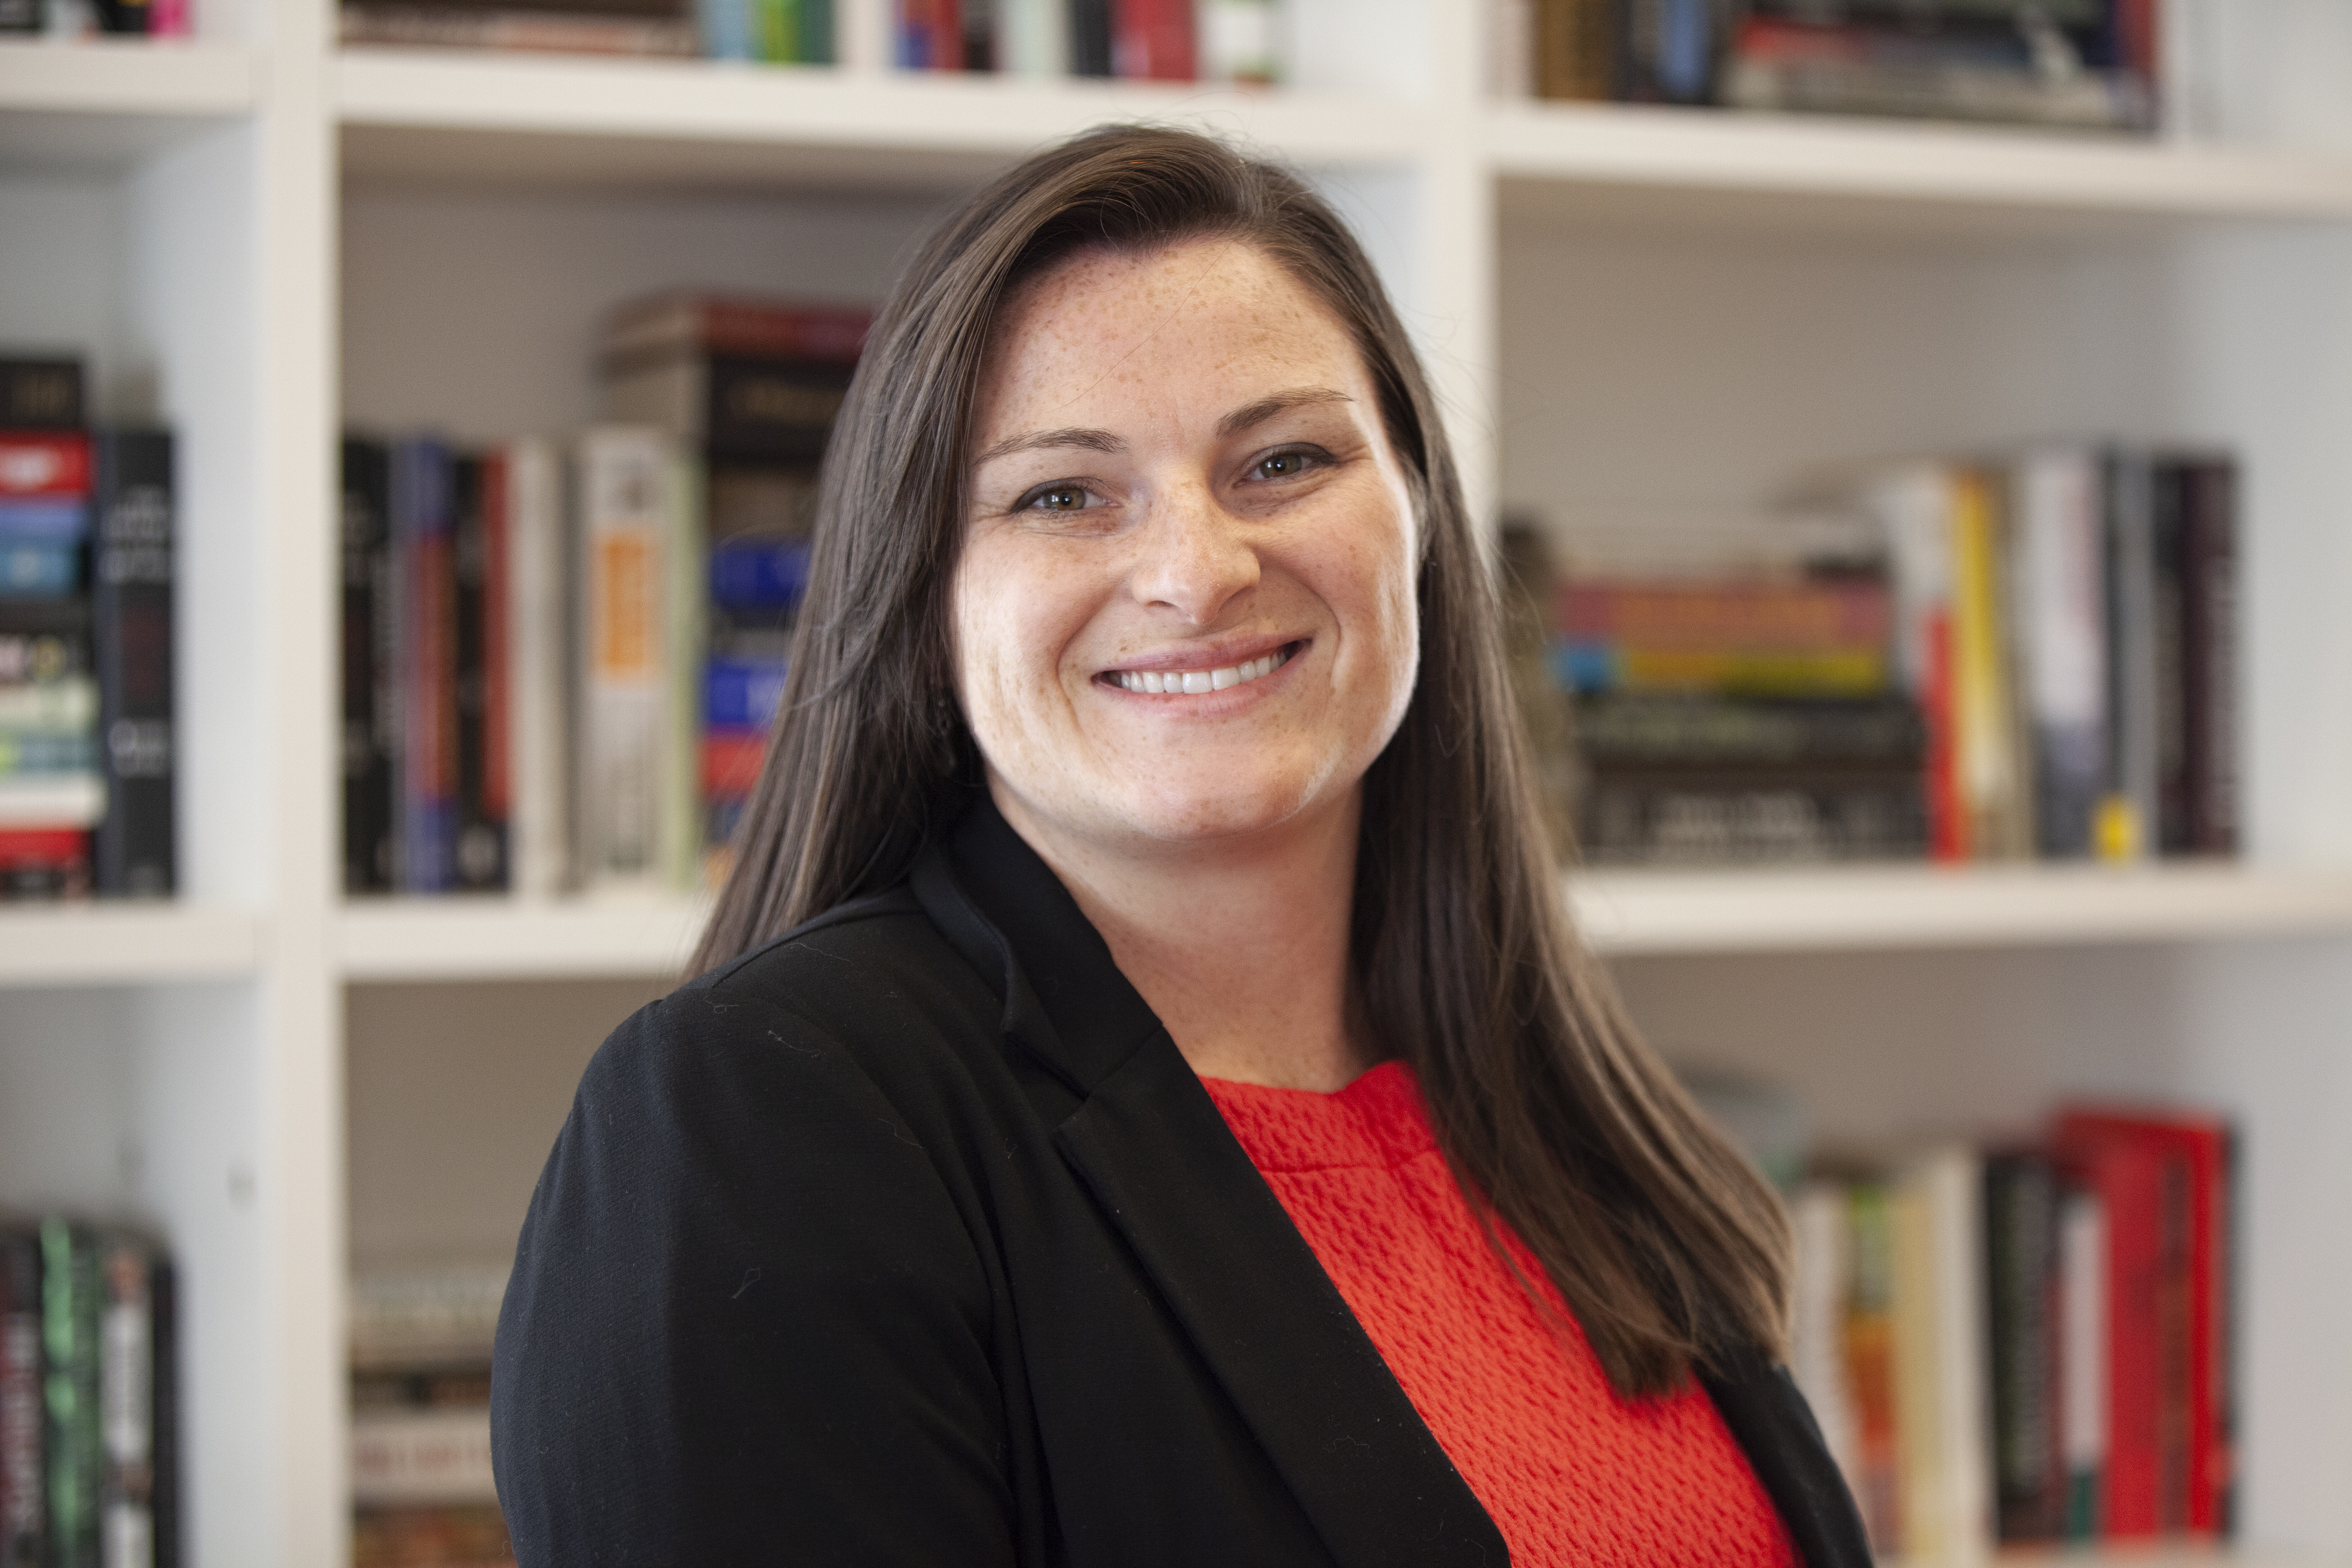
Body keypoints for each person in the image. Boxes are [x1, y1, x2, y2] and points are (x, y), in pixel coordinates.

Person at [490, 124, 1871, 1568]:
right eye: (1064, 494)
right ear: (928, 587)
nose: (1199, 571)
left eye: (1282, 460)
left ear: (1415, 521)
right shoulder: (761, 1127)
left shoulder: (1562, 1118)